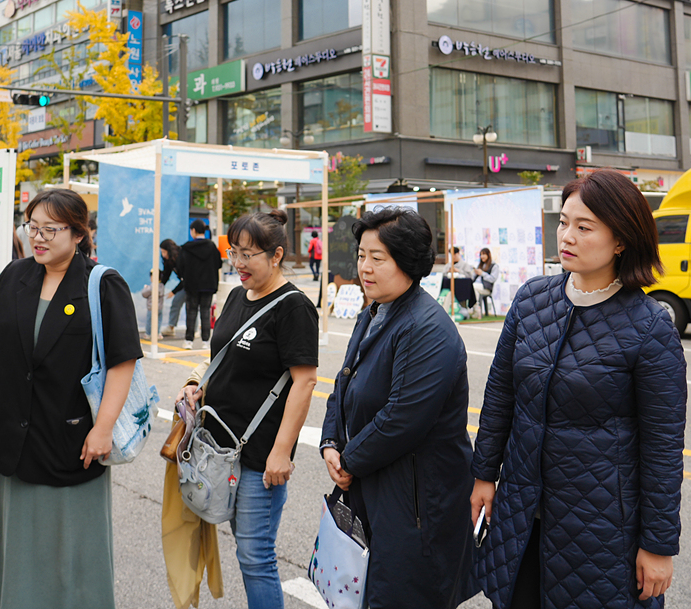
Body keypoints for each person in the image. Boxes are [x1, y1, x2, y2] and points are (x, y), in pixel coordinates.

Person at [470, 170, 687, 609]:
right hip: (519, 508)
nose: (566, 235)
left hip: (601, 522)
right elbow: (500, 398)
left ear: (621, 240)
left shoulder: (649, 327)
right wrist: (483, 475)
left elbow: (663, 446)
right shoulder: (532, 300)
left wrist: (659, 545)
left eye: (583, 227)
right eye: (563, 222)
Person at [0, 188, 141, 609]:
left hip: (70, 441)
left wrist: (104, 428)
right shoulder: (16, 275)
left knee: (67, 556)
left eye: (49, 230)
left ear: (78, 233)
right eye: (32, 228)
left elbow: (121, 362)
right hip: (11, 439)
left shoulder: (102, 284)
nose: (37, 238)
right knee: (8, 550)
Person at [319, 207, 475, 608]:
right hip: (376, 488)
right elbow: (343, 382)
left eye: (378, 257)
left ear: (407, 261)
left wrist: (348, 461)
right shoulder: (374, 311)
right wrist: (330, 442)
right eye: (361, 255)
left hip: (417, 506)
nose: (365, 267)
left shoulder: (428, 328)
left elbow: (401, 419)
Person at [175, 209, 319, 609]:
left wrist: (281, 451)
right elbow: (220, 358)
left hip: (258, 458)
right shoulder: (238, 294)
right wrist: (194, 384)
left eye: (247, 255)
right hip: (221, 449)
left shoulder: (294, 307)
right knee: (245, 550)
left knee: (256, 557)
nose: (237, 263)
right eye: (233, 252)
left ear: (276, 255)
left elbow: (304, 382)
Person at [177, 219, 220, 350]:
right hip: (209, 285)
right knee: (205, 312)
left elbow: (179, 267)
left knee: (191, 312)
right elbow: (218, 264)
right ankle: (206, 342)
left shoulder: (186, 248)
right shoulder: (212, 247)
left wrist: (184, 277)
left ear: (193, 231)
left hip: (191, 286)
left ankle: (188, 341)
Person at [471, 247, 501, 318]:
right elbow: (473, 278)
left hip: (486, 288)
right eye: (481, 255)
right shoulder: (480, 265)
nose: (482, 256)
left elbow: (493, 279)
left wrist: (482, 273)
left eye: (484, 254)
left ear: (488, 255)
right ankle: (469, 310)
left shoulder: (494, 266)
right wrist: (474, 272)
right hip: (478, 286)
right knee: (469, 287)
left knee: (474, 287)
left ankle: (477, 309)